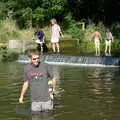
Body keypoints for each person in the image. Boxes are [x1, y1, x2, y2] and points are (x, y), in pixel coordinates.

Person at [19, 50, 59, 117]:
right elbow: (26, 83)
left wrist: (53, 89)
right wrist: (21, 96)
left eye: (38, 58)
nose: (37, 60)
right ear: (30, 59)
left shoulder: (45, 66)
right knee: (35, 117)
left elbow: (53, 78)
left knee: (48, 117)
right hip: (35, 101)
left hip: (47, 99)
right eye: (34, 59)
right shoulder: (26, 68)